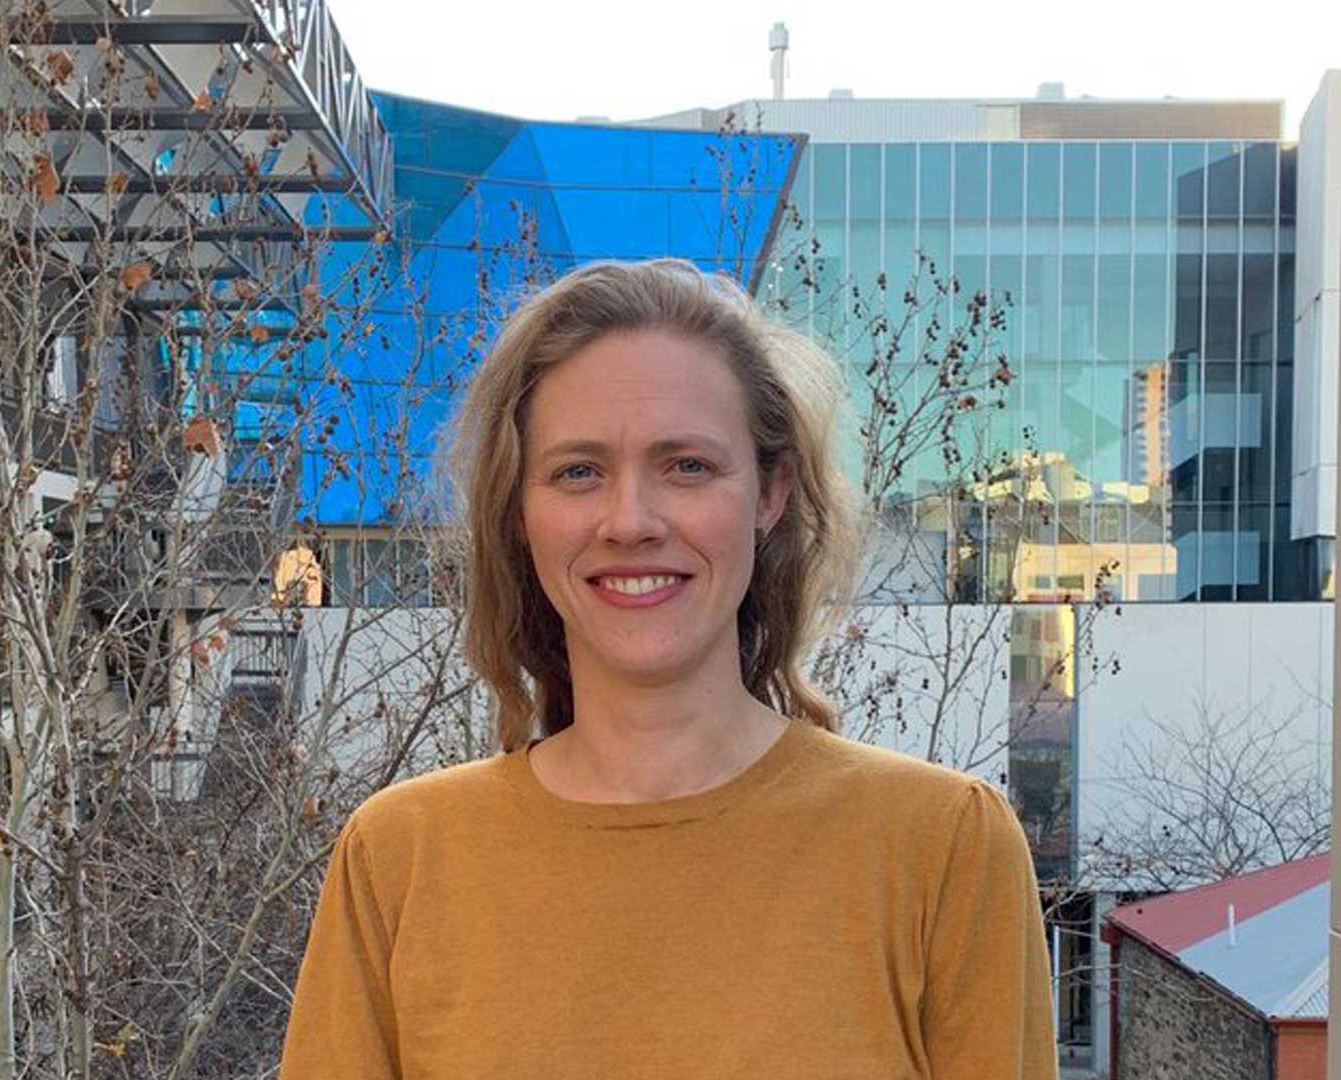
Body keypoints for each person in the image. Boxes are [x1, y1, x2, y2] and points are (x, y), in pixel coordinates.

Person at [278, 258, 1056, 1079]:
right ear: (519, 513)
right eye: (578, 472)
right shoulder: (399, 860)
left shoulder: (944, 847)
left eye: (687, 465)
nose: (630, 521)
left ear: (770, 493)